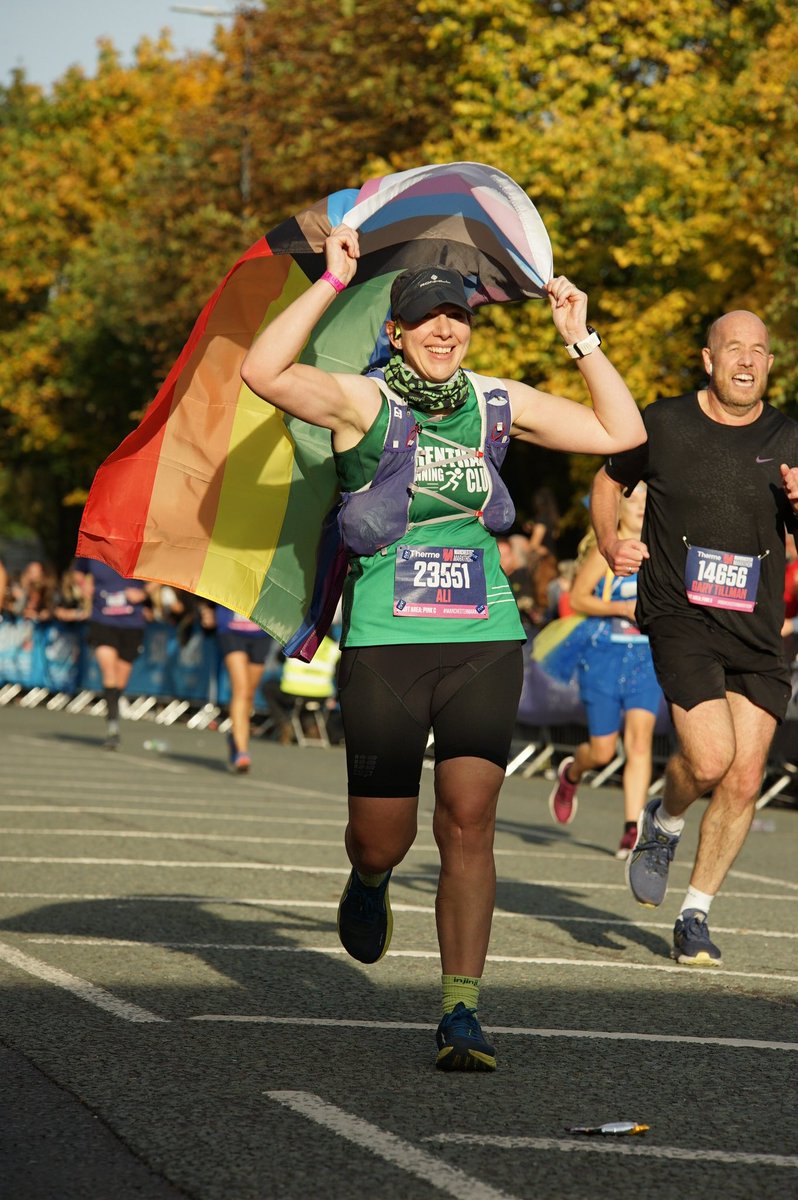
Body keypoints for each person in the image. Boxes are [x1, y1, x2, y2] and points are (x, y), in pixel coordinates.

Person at [240, 224, 645, 1070]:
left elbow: (618, 432)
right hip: (386, 645)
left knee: (469, 820)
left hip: (485, 638)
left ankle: (462, 1010)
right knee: (382, 836)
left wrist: (581, 340)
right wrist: (329, 283)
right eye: (425, 319)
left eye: (456, 318)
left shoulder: (497, 402)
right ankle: (372, 879)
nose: (444, 331)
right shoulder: (363, 403)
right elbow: (263, 372)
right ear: (395, 331)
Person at [590, 308, 798, 967]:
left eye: (759, 351)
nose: (746, 360)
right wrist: (608, 540)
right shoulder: (663, 424)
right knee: (708, 760)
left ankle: (695, 914)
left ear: (769, 363)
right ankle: (667, 819)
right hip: (681, 613)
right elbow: (607, 479)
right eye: (733, 348)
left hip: (759, 629)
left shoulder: (790, 439)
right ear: (708, 359)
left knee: (742, 779)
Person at [547, 484, 664, 858]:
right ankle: (572, 774)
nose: (642, 506)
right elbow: (578, 598)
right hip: (603, 656)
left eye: (649, 499)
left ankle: (632, 828)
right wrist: (621, 609)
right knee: (601, 752)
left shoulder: (661, 549)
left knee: (640, 742)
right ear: (616, 508)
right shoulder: (607, 551)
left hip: (646, 657)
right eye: (634, 499)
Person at [72, 558, 149, 749]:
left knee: (120, 682)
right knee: (109, 673)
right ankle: (112, 728)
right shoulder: (95, 549)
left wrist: (143, 593)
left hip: (131, 624)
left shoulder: (137, 546)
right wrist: (83, 585)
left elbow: (159, 577)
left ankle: (113, 709)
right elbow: (77, 571)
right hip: (103, 620)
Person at [200, 603, 275, 772]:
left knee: (249, 693)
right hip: (231, 628)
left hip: (262, 629)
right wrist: (206, 609)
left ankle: (235, 736)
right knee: (241, 690)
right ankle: (242, 751)